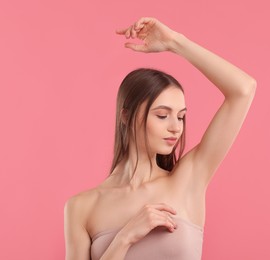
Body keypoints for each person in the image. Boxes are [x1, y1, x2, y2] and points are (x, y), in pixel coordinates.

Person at [64, 17, 257, 260]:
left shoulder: (189, 179)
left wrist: (175, 42)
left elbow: (243, 89)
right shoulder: (81, 207)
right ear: (127, 116)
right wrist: (125, 238)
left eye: (181, 117)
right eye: (163, 115)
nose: (176, 127)